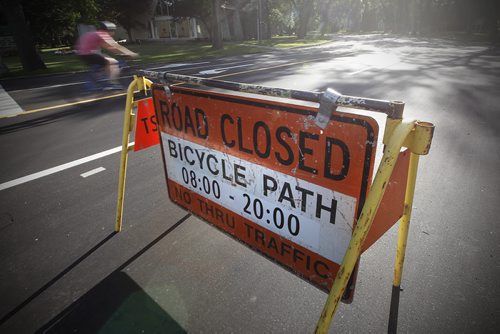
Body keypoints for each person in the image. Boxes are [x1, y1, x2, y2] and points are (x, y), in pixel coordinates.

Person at [76, 21, 138, 88]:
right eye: (113, 31)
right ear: (109, 30)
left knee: (104, 57)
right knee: (113, 62)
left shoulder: (97, 33)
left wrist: (121, 52)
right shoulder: (103, 34)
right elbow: (114, 47)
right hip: (88, 54)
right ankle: (113, 83)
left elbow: (107, 46)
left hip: (82, 54)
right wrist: (130, 53)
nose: (113, 33)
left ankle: (99, 76)